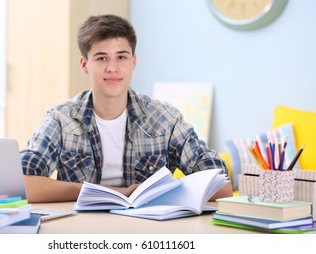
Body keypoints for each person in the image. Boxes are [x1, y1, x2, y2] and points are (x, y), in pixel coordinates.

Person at [21, 14, 233, 203]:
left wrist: (159, 193)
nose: (112, 67)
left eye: (121, 57)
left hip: (148, 230)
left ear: (133, 61)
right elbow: (24, 184)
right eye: (102, 58)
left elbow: (220, 184)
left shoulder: (165, 118)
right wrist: (105, 192)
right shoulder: (61, 118)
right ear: (85, 65)